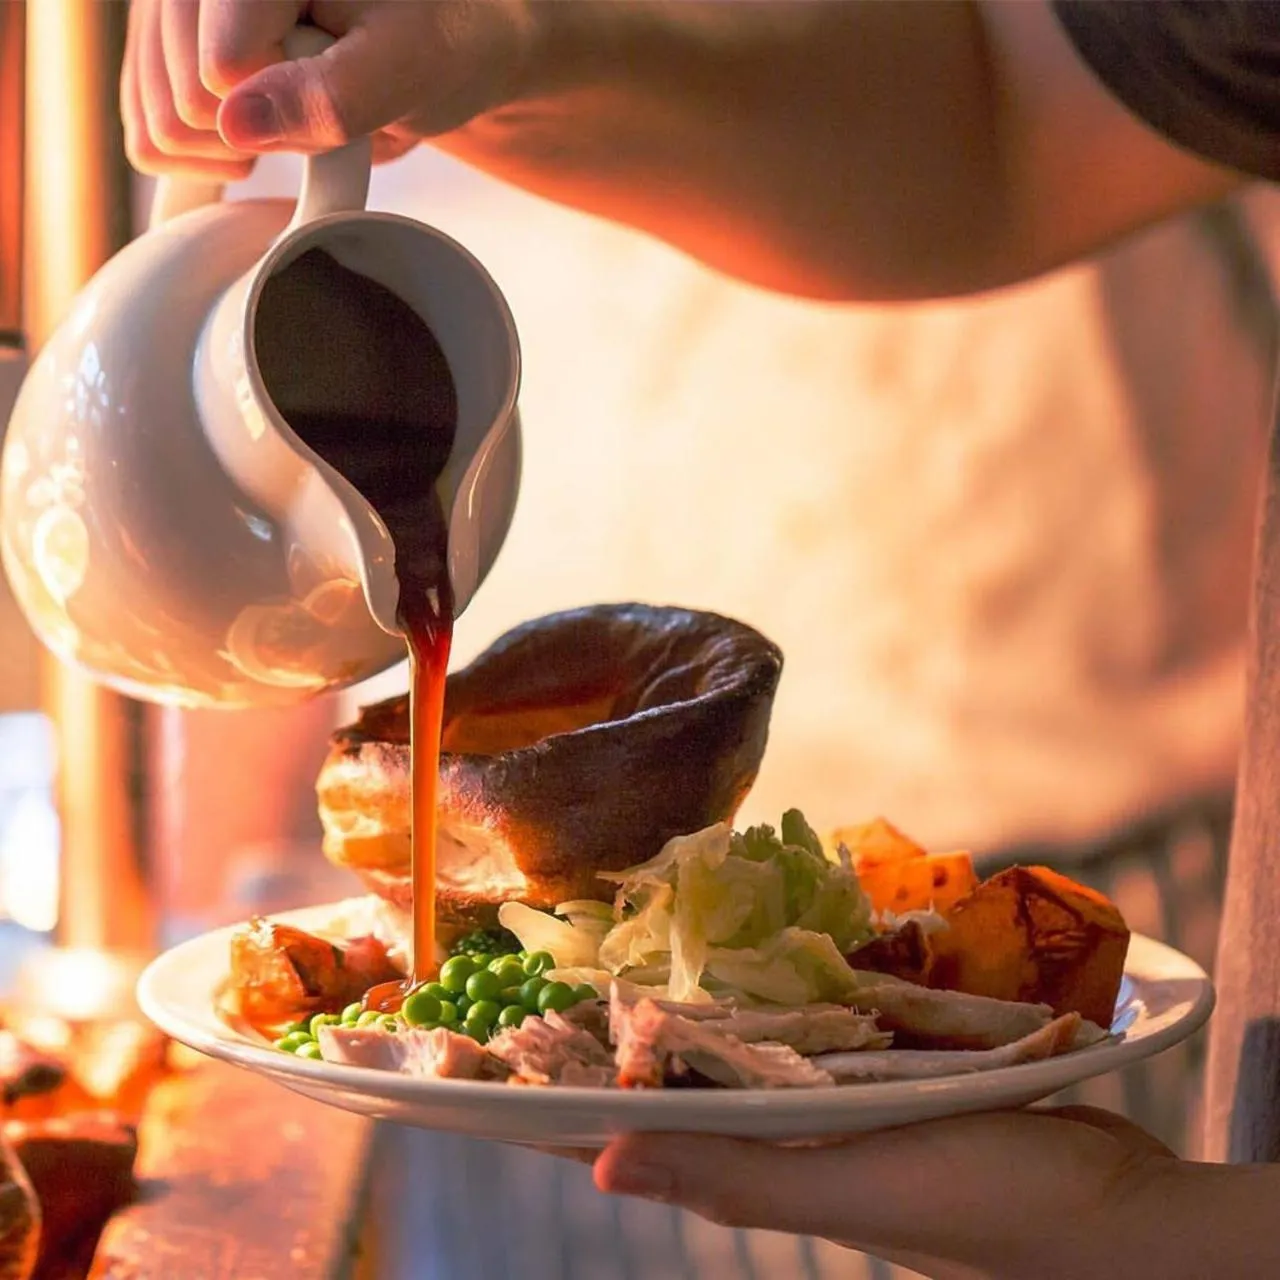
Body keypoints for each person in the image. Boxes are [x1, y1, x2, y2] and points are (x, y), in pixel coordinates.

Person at [121, 2, 1280, 1276]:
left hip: (1089, 858)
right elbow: (997, 115)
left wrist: (1160, 1229)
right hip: (493, 991)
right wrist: (508, 49)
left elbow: (1025, 123)